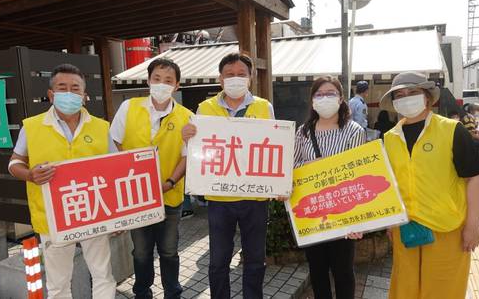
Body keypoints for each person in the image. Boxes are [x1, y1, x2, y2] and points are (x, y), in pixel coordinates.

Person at [8, 63, 116, 298]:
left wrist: (118, 217)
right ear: (51, 94)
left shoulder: (101, 127)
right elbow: (14, 163)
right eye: (62, 87)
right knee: (58, 284)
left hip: (94, 212)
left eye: (75, 88)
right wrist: (29, 174)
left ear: (84, 95)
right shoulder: (33, 126)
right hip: (53, 217)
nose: (69, 93)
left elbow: (115, 169)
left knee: (103, 275)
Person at [379, 71, 479, 299]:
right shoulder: (389, 137)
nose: (406, 98)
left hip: (446, 228)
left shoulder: (451, 130)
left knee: (443, 290)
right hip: (405, 228)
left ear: (427, 97)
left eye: (413, 92)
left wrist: (473, 225)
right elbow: (391, 183)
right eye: (400, 95)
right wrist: (389, 222)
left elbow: (474, 178)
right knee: (405, 289)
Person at [182, 52, 274, 299]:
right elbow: (195, 153)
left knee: (255, 260)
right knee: (218, 261)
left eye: (241, 75)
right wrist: (188, 138)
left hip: (255, 198)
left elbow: (275, 148)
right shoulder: (205, 107)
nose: (236, 79)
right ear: (220, 79)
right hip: (220, 198)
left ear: (251, 77)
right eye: (230, 75)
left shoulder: (264, 107)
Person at [110, 58, 192, 299]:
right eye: (157, 78)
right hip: (136, 197)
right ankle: (142, 292)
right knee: (141, 252)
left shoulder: (187, 116)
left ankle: (172, 292)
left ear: (176, 86)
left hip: (170, 195)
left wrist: (169, 183)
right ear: (148, 80)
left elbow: (187, 157)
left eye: (168, 80)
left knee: (169, 251)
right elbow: (113, 144)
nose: (162, 84)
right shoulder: (128, 107)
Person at [294, 76, 365, 299]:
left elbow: (357, 173)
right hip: (313, 213)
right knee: (317, 272)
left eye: (331, 93)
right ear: (312, 100)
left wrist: (358, 219)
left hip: (344, 212)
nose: (325, 98)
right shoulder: (303, 132)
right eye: (319, 94)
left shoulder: (353, 130)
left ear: (341, 98)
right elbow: (294, 167)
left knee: (343, 271)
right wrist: (308, 167)